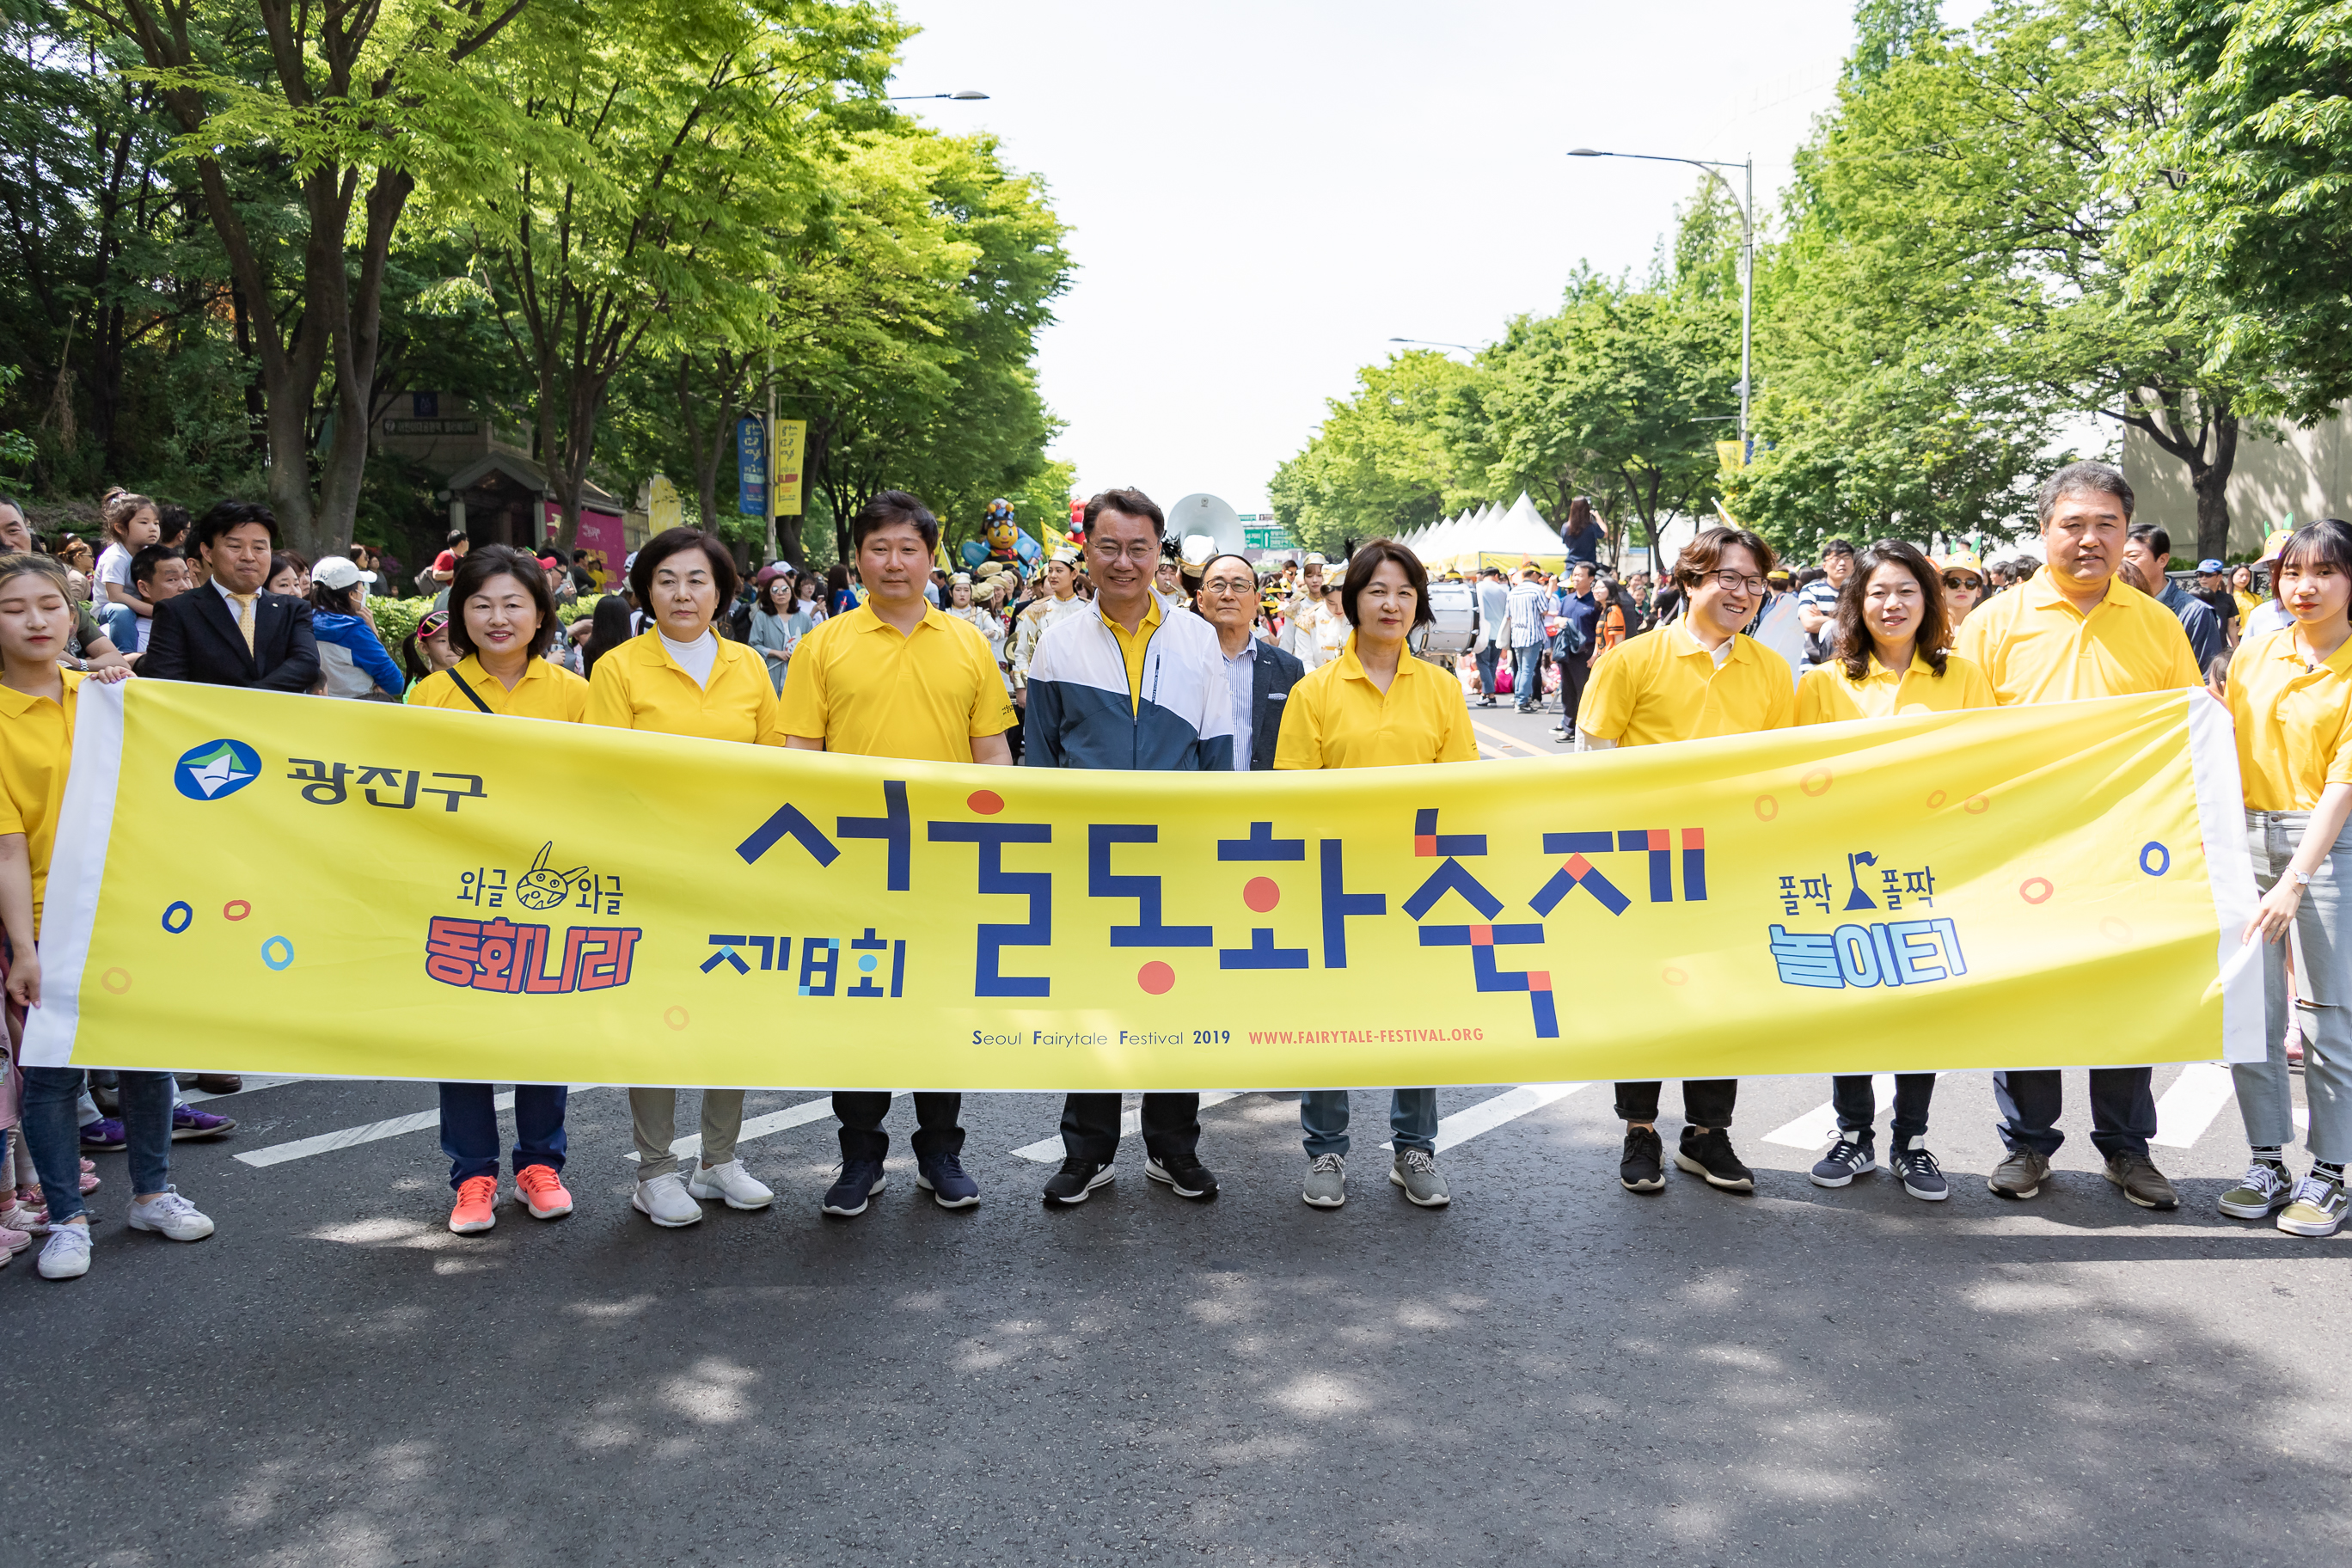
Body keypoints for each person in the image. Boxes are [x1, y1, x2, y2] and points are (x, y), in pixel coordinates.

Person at [1954, 461, 2201, 1210]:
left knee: (2123, 1001)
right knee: (2028, 997)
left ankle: (2128, 1151)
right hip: (2022, 848)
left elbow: (2188, 732)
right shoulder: (1993, 622)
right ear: (2043, 531)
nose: (2089, 540)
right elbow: (1960, 742)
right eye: (2073, 525)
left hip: (2128, 851)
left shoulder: (2157, 623)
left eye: (2107, 526)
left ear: (2128, 534)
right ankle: (2027, 1148)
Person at [780, 493, 1015, 1218]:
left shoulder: (969, 642)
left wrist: (997, 842)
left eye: (908, 548)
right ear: (858, 557)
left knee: (940, 1007)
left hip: (945, 860)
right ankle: (859, 1157)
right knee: (860, 1010)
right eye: (878, 547)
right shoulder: (823, 644)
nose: (893, 562)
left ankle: (940, 1154)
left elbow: (992, 752)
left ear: (931, 555)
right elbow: (799, 756)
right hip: (852, 863)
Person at [1024, 487, 1234, 1205]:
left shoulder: (1197, 638)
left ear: (1159, 555)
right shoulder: (1059, 639)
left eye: (1139, 548)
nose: (1124, 561)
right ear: (1089, 552)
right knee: (1094, 1001)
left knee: (1174, 1002)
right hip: (1087, 855)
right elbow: (1041, 759)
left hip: (1175, 856)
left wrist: (1208, 845)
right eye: (1109, 547)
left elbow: (1218, 751)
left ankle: (1174, 1148)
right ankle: (1088, 1151)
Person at [0, 553, 207, 1281]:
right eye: (14, 608)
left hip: (132, 906)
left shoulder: (106, 695)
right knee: (54, 1075)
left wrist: (128, 691)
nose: (35, 620)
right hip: (47, 919)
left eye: (49, 605)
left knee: (146, 1058)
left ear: (71, 613)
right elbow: (7, 850)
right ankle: (65, 1220)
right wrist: (23, 948)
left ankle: (154, 1193)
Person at [1578, 525, 1796, 1197]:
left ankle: (1707, 1134)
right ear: (1690, 579)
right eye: (1729, 578)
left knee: (1721, 999)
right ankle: (1639, 1129)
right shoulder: (1632, 660)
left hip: (1729, 869)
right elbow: (1592, 764)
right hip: (1643, 864)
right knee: (1644, 997)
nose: (1743, 593)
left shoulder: (1771, 670)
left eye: (1755, 583)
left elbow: (1778, 775)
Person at [586, 527, 785, 1227]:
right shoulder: (618, 669)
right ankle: (654, 1169)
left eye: (697, 580)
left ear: (722, 590)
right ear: (646, 590)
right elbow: (605, 773)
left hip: (736, 871)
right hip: (654, 871)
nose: (682, 593)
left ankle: (719, 1160)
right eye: (667, 579)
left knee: (732, 1012)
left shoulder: (749, 667)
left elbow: (774, 769)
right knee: (657, 1018)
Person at [1794, 540, 1998, 1201]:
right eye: (1878, 592)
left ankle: (1912, 1140)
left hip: (1934, 869)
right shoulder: (1825, 683)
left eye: (1907, 591)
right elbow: (1799, 780)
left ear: (1928, 601)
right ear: (1856, 602)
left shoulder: (1963, 678)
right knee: (1852, 1002)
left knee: (1920, 1006)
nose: (1892, 604)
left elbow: (1989, 767)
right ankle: (1853, 1134)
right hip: (1845, 871)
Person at [1275, 540, 1475, 1210]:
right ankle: (1325, 1149)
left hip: (1422, 881)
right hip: (1335, 884)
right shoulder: (1315, 691)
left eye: (1405, 593)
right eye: (1378, 592)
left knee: (1419, 1014)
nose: (1392, 605)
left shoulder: (1443, 688)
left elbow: (1463, 792)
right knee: (1330, 1016)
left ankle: (1414, 1148)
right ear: (1351, 600)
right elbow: (1293, 797)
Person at [406, 547, 588, 1232]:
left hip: (548, 886)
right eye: (480, 604)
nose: (497, 617)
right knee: (465, 1034)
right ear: (459, 615)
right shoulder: (431, 696)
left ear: (540, 612)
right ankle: (472, 1176)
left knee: (542, 1026)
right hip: (460, 886)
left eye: (514, 603)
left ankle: (540, 1165)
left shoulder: (577, 695)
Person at [2220, 518, 2352, 1237]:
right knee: (2255, 1011)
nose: (2306, 587)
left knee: (2330, 1016)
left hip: (2328, 847)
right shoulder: (2258, 651)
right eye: (2293, 573)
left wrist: (2295, 878)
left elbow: (2343, 785)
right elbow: (2226, 743)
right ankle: (2265, 1160)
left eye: (2325, 572)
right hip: (2246, 835)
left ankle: (2330, 1173)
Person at [142, 500, 321, 695]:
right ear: (208, 552)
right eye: (235, 547)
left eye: (259, 548)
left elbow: (306, 663)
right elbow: (167, 684)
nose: (248, 557)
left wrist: (247, 698)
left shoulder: (294, 609)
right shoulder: (176, 611)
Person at [1196, 551, 1304, 772]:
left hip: (1267, 799)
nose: (1228, 595)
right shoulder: (1178, 665)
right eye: (1217, 585)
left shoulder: (1288, 669)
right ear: (1200, 599)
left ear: (1256, 601)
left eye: (1239, 586)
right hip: (1200, 799)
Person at [2122, 524, 2225, 672]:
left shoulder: (2195, 612)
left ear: (2162, 560)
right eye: (2119, 557)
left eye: (2133, 557)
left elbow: (2208, 676)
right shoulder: (2113, 605)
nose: (2123, 564)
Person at [309, 556, 403, 701]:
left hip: (314, 707)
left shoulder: (303, 622)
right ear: (351, 594)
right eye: (361, 585)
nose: (364, 590)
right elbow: (396, 683)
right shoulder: (354, 631)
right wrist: (374, 633)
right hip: (358, 709)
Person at [101, 544, 189, 657]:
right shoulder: (115, 634)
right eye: (172, 579)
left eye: (187, 578)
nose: (185, 587)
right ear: (144, 588)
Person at [1547, 561, 1601, 742]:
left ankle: (1584, 728)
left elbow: (1599, 632)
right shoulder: (1567, 599)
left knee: (1584, 692)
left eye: (1580, 575)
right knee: (1568, 691)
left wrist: (1595, 655)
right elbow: (1555, 621)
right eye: (1574, 575)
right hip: (1565, 653)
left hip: (1585, 655)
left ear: (1591, 579)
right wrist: (1559, 622)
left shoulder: (1595, 602)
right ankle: (1569, 727)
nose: (1576, 579)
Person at [93, 491, 161, 621]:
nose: (153, 528)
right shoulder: (115, 558)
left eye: (156, 523)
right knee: (122, 611)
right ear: (120, 528)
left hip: (137, 607)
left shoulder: (150, 553)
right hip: (112, 613)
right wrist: (155, 611)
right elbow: (115, 596)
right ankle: (122, 642)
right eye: (144, 523)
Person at [747, 573, 797, 694]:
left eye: (785, 589)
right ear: (769, 594)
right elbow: (753, 645)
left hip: (796, 677)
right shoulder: (762, 617)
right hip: (771, 673)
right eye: (775, 590)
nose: (780, 593)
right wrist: (775, 653)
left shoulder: (804, 618)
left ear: (791, 591)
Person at [1507, 568, 1547, 713]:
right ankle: (1522, 701)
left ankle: (1519, 698)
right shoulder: (1537, 590)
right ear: (1535, 575)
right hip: (1533, 634)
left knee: (1520, 669)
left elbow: (1508, 615)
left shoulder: (1513, 592)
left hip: (1517, 635)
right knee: (1527, 670)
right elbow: (1544, 610)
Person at [400, 608, 458, 695]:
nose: (452, 647)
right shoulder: (418, 688)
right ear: (424, 648)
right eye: (442, 640)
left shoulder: (475, 679)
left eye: (457, 639)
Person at [1473, 566, 1510, 706]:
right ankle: (1485, 694)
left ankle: (1491, 695)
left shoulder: (1478, 587)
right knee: (1493, 664)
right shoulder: (1504, 589)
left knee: (1483, 663)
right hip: (1499, 632)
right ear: (1496, 576)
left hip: (1482, 632)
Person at [1939, 551, 1987, 633]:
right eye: (1954, 582)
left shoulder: (1986, 630)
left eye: (1970, 583)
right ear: (1943, 589)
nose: (1962, 589)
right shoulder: (1928, 627)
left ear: (1979, 591)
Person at [1561, 496, 1602, 569]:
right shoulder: (1592, 527)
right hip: (1589, 567)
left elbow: (1567, 544)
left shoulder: (1566, 527)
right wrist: (1597, 516)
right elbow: (1605, 533)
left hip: (1571, 566)